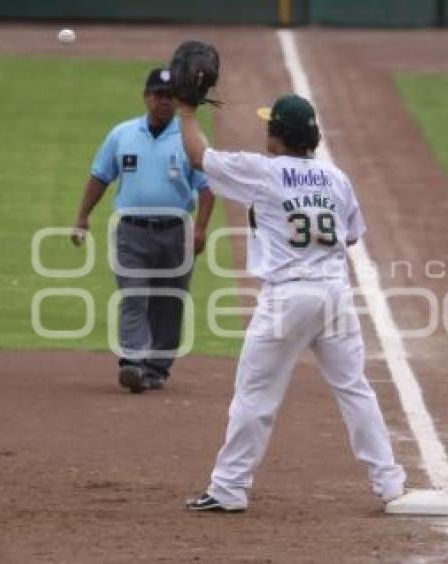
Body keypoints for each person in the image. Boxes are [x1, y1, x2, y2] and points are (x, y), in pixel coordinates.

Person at [175, 93, 406, 512]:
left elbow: (198, 156)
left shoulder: (263, 172)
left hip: (288, 297)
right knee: (354, 388)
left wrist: (188, 111)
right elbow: (351, 235)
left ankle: (228, 488)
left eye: (270, 126)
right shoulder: (336, 177)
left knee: (255, 394)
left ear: (277, 134)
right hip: (334, 295)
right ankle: (390, 483)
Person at [72, 68, 214, 394]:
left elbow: (207, 186)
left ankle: (157, 368)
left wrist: (202, 228)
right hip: (131, 232)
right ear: (146, 97)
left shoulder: (188, 138)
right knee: (133, 295)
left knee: (169, 301)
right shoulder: (122, 134)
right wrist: (82, 217)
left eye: (169, 96)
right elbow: (100, 176)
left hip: (176, 232)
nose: (163, 102)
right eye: (157, 95)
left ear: (177, 101)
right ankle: (132, 362)